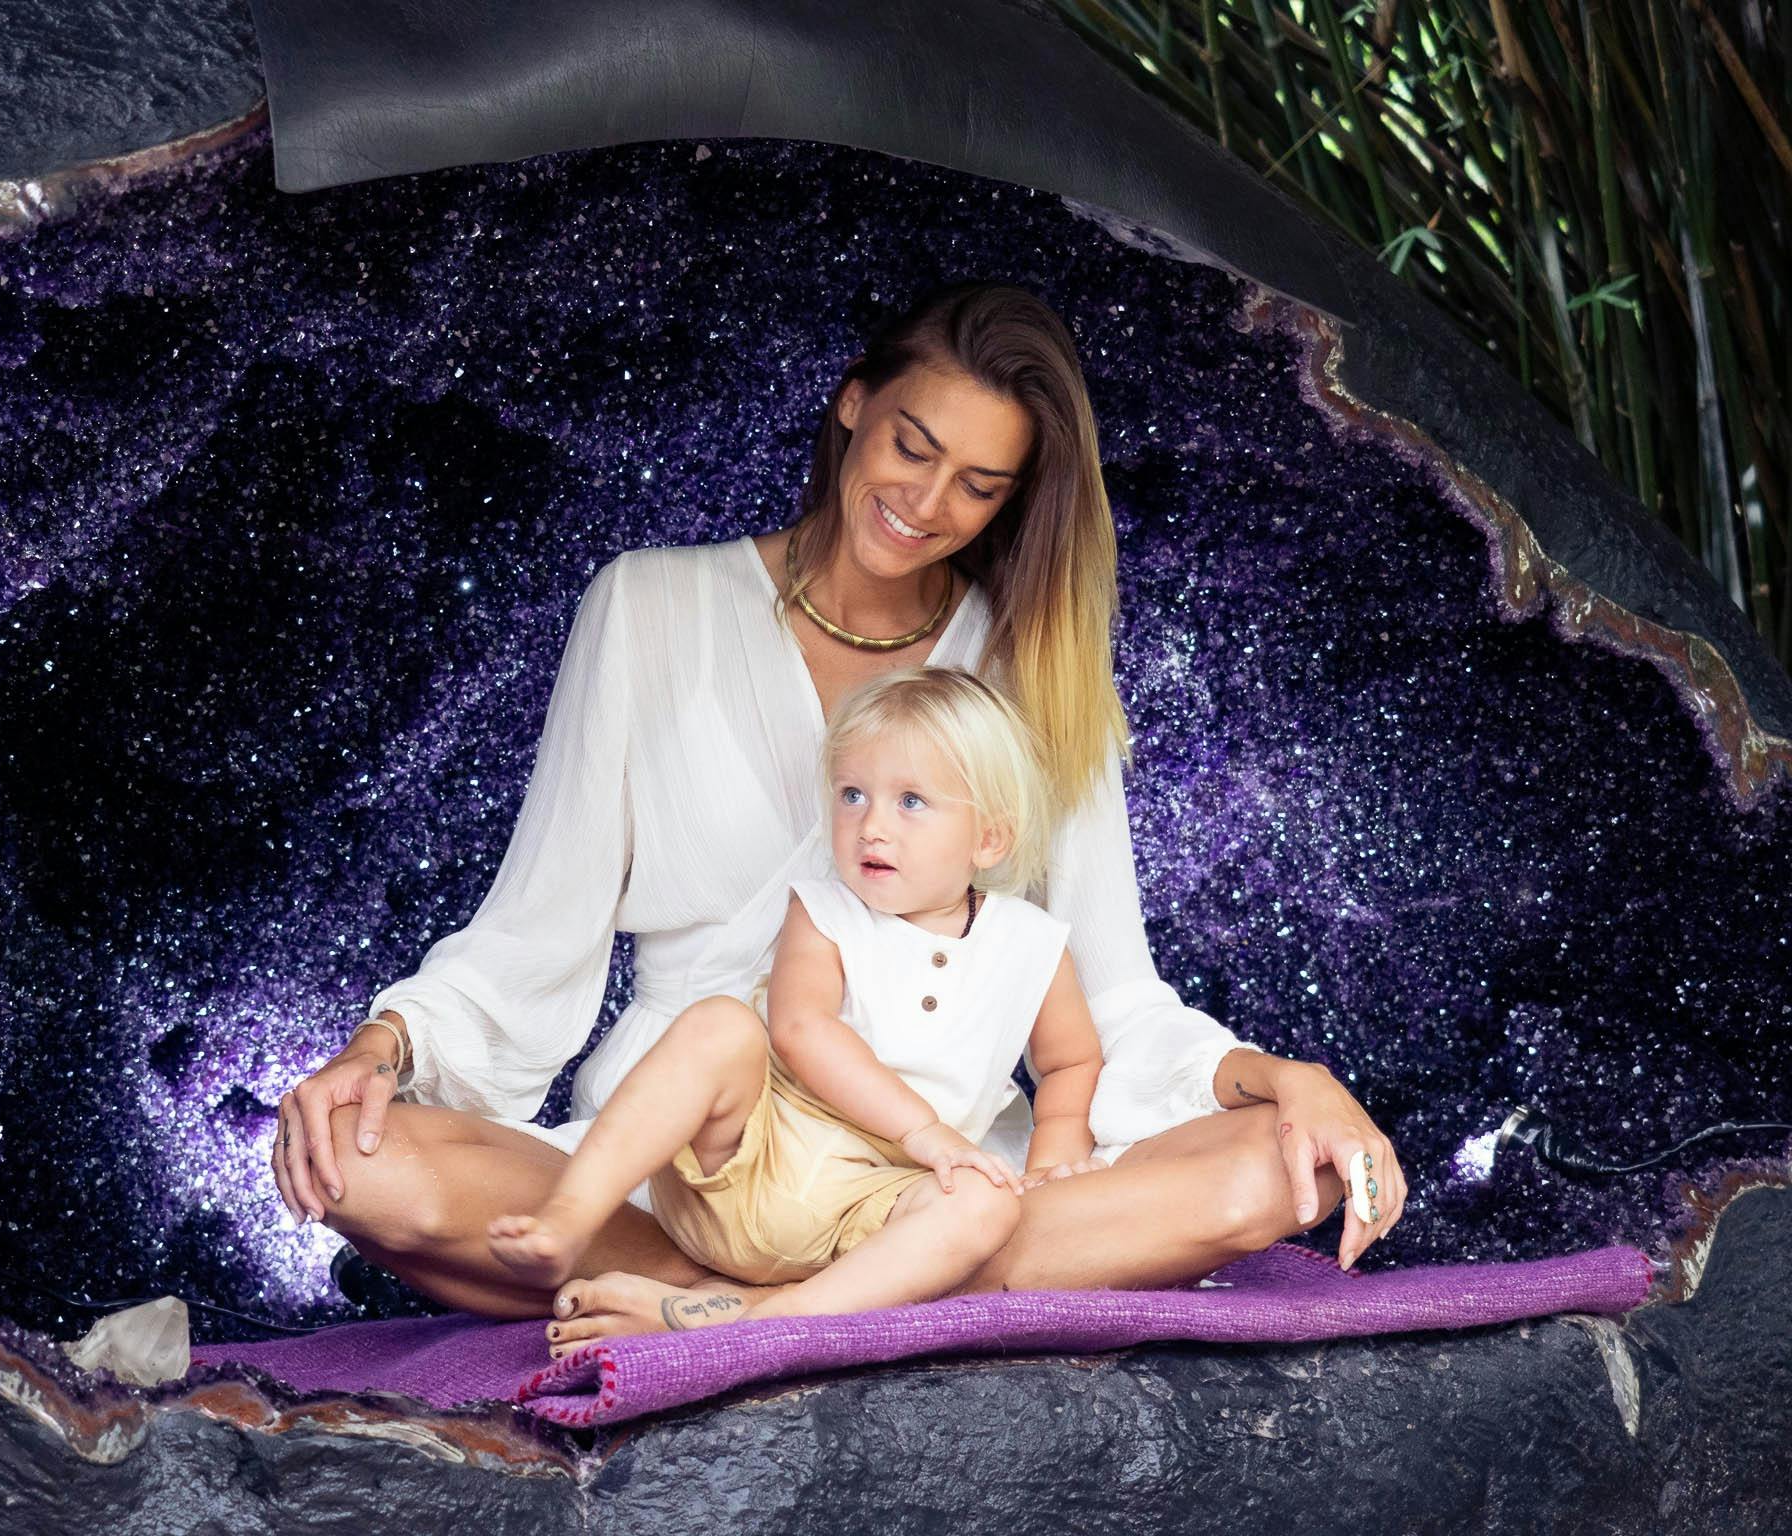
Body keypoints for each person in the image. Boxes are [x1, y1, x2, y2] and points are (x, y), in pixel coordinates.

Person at [270, 280, 1407, 1341]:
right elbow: (534, 930)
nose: (925, 503)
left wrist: (1278, 1080)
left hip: (924, 1181)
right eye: (912, 448)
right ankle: (826, 1305)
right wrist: (381, 1050)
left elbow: (1107, 998)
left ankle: (757, 1309)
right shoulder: (648, 604)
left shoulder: (1036, 668)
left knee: (1279, 1165)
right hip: (680, 1163)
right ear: (853, 403)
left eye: (979, 485)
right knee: (357, 1165)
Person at [484, 667, 1103, 1333]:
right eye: (853, 794)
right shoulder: (825, 912)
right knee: (719, 1024)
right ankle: (571, 1215)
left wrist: (1052, 1161)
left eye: (912, 802)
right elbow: (801, 1028)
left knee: (984, 1205)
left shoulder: (1032, 945)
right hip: (750, 1166)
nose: (872, 826)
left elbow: (1070, 1062)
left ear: (989, 838)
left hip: (873, 1210)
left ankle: (778, 1318)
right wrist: (923, 1129)